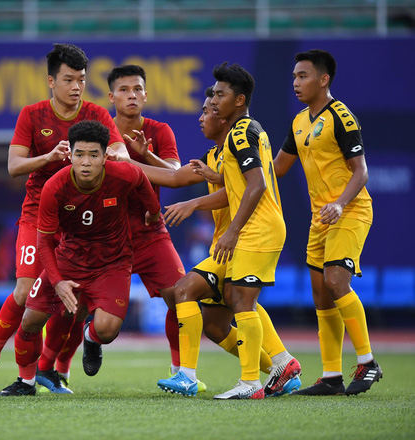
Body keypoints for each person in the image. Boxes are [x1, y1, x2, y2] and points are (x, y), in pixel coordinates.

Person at [0, 43, 125, 390]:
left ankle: (47, 368)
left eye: (81, 80)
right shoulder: (32, 115)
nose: (76, 87)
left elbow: (119, 151)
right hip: (38, 214)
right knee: (25, 294)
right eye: (69, 79)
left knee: (72, 303)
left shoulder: (97, 114)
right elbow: (13, 166)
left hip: (80, 221)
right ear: (51, 81)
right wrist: (50, 157)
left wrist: (111, 155)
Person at [133, 87, 301, 397]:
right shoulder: (215, 156)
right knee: (213, 324)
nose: (201, 117)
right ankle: (281, 366)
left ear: (223, 117)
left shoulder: (241, 137)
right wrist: (139, 158)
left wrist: (194, 203)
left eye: (208, 110)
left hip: (246, 236)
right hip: (227, 245)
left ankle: (210, 377)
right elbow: (175, 178)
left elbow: (245, 186)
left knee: (219, 296)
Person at [34, 64, 189, 390]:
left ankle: (182, 372)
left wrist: (146, 158)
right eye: (124, 89)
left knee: (181, 295)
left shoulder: (160, 132)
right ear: (111, 96)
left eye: (137, 89)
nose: (131, 95)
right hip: (100, 238)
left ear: (146, 94)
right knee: (75, 307)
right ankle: (59, 366)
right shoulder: (99, 132)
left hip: (148, 232)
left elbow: (175, 174)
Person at [0, 120, 161, 396]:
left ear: (105, 156)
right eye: (80, 155)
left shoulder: (123, 174)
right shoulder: (54, 187)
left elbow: (144, 183)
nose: (86, 162)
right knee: (30, 320)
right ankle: (25, 382)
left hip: (112, 262)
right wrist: (58, 281)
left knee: (107, 330)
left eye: (94, 155)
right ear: (70, 155)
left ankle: (91, 338)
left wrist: (154, 212)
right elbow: (44, 241)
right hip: (68, 259)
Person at [273, 49, 380, 396]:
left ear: (324, 79)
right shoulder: (299, 121)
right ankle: (332, 376)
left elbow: (361, 171)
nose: (295, 83)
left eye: (302, 76)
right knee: (321, 296)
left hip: (350, 210)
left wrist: (339, 202)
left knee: (336, 282)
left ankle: (368, 362)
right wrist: (226, 174)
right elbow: (277, 169)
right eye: (293, 77)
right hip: (321, 219)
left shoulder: (341, 116)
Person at [208, 62, 297, 400]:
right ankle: (282, 361)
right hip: (258, 226)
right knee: (235, 295)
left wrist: (232, 230)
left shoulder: (243, 131)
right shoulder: (244, 131)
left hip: (258, 228)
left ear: (240, 99)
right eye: (214, 93)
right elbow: (240, 181)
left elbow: (257, 184)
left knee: (242, 300)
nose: (215, 100)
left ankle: (251, 382)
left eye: (221, 94)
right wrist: (217, 178)